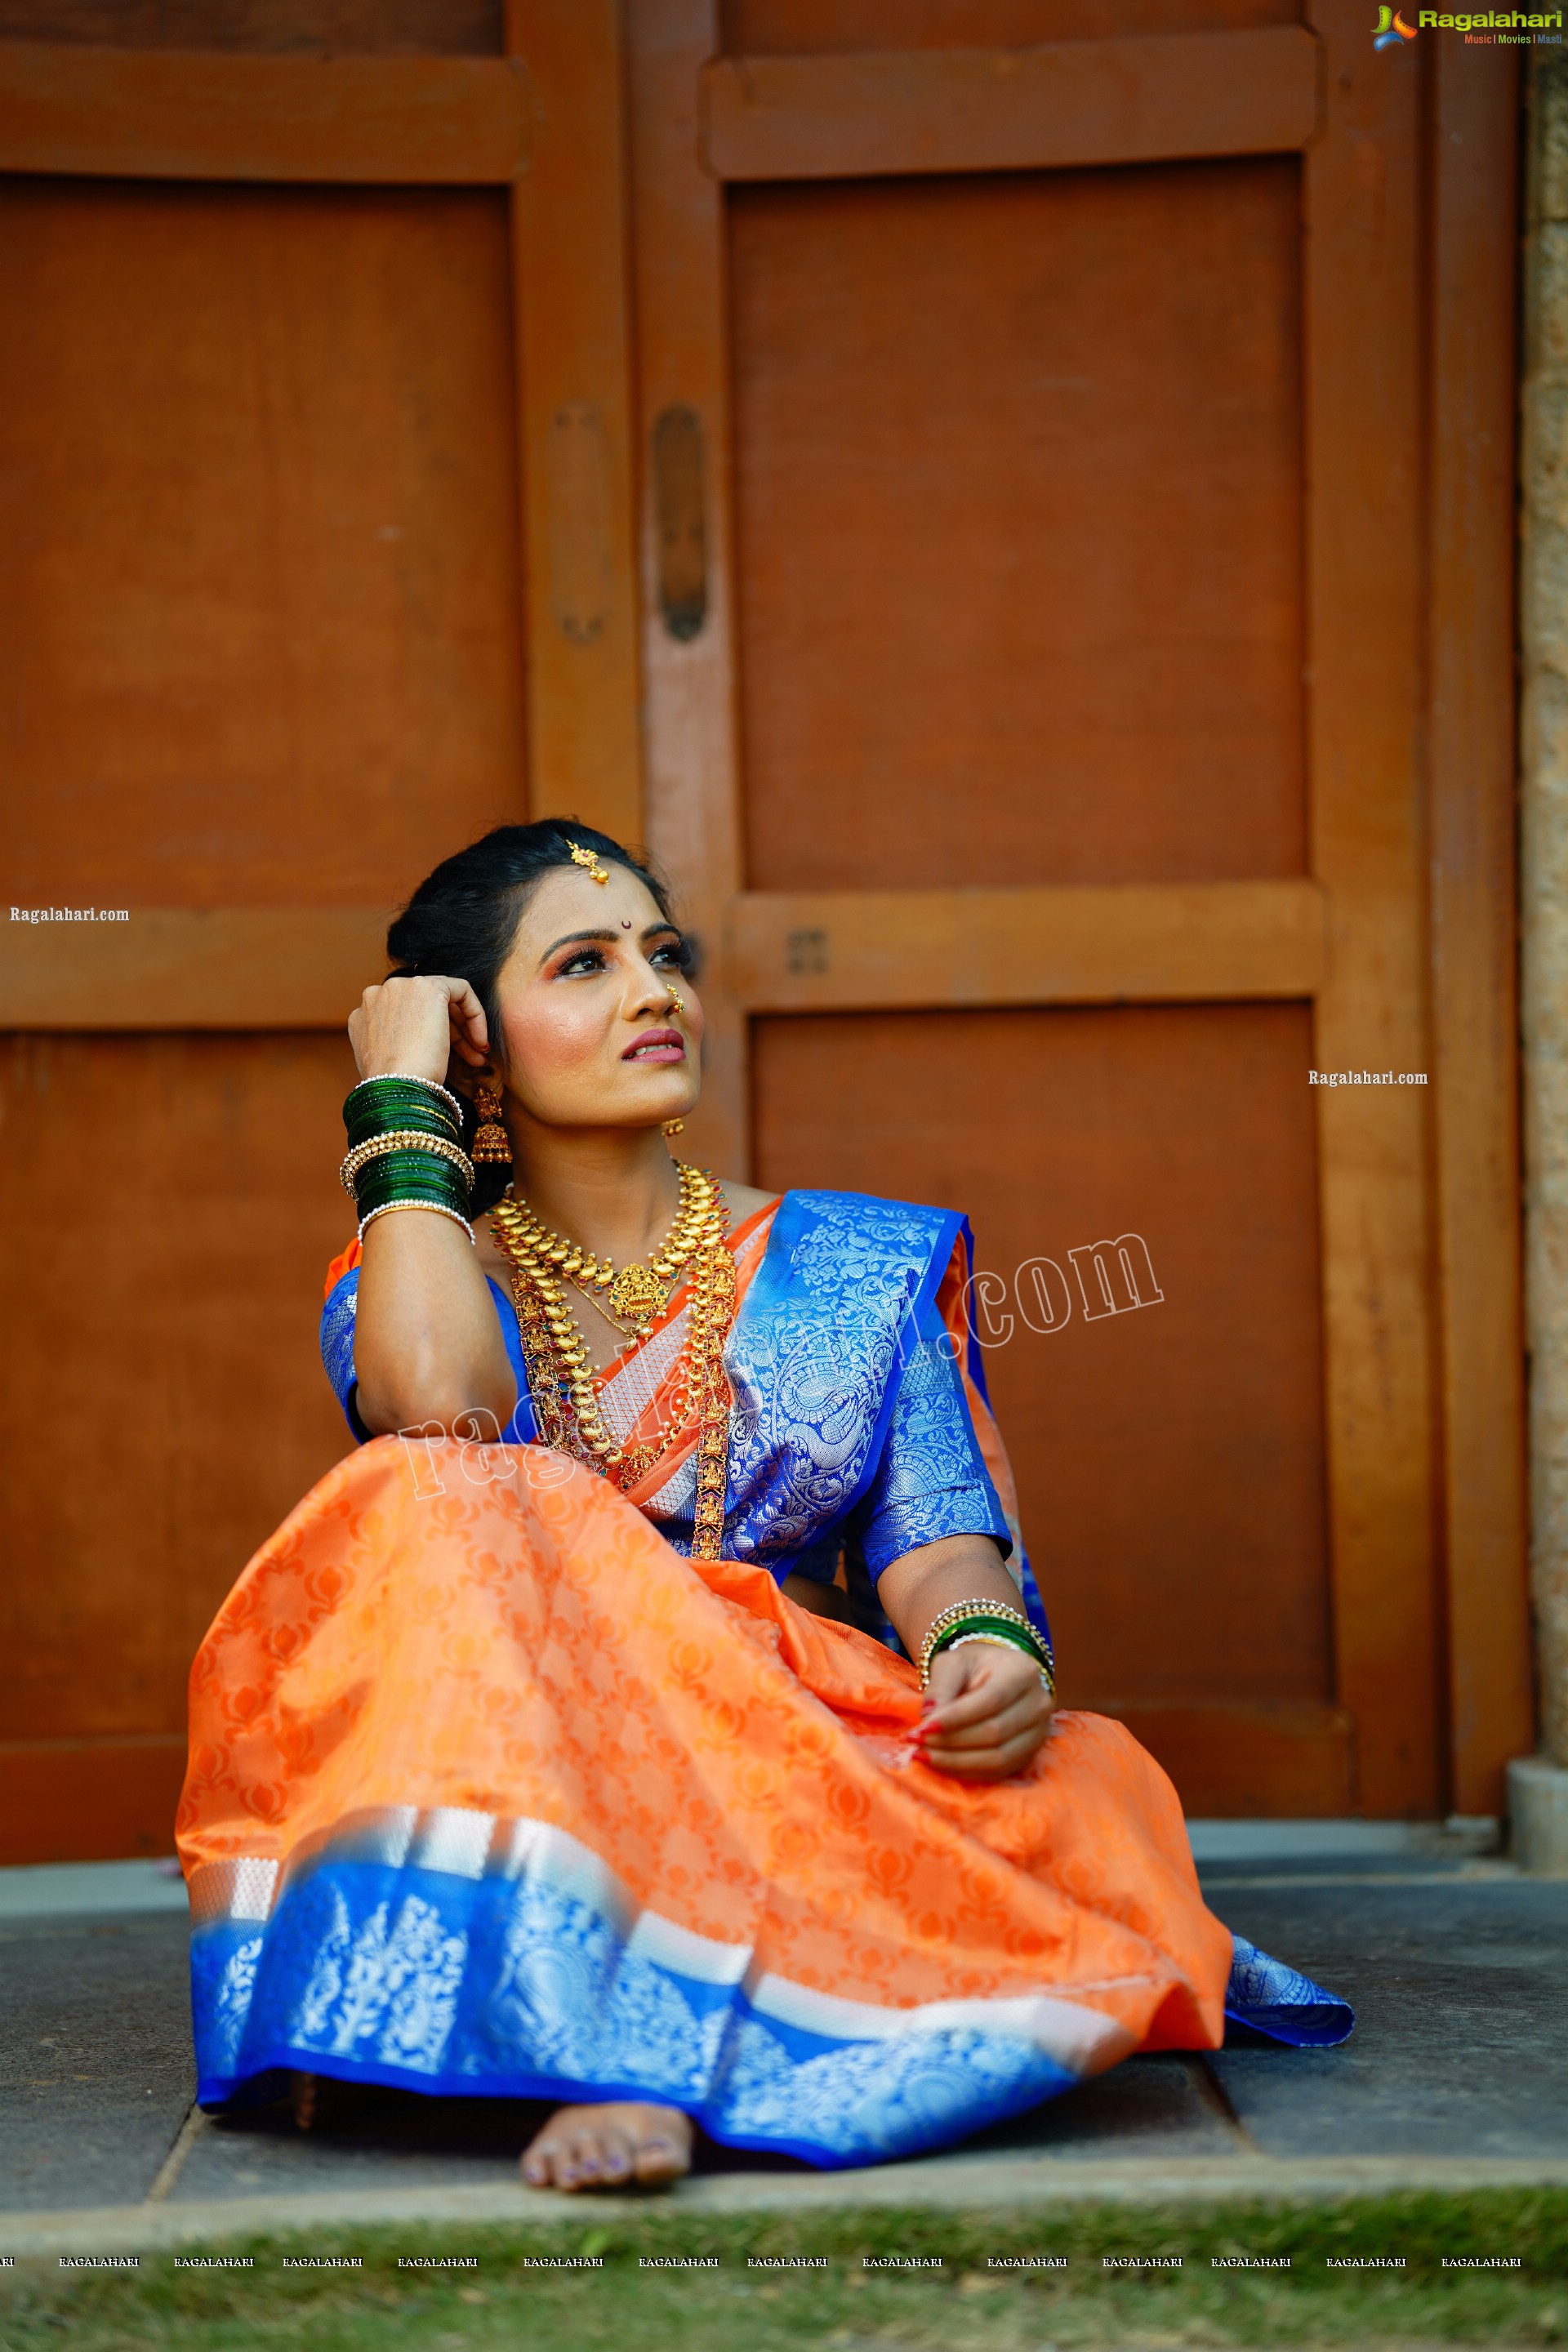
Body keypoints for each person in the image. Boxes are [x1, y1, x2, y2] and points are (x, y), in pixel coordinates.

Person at [178, 820, 1349, 2191]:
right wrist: (400, 1111)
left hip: (797, 1733)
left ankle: (619, 2034)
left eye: (662, 955)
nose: (654, 992)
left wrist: (983, 1644)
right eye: (584, 964)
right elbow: (435, 1413)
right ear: (474, 1034)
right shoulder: (412, 1266)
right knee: (430, 1495)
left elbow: (938, 1536)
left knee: (1083, 1796)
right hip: (548, 1750)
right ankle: (627, 2052)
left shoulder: (858, 1262)